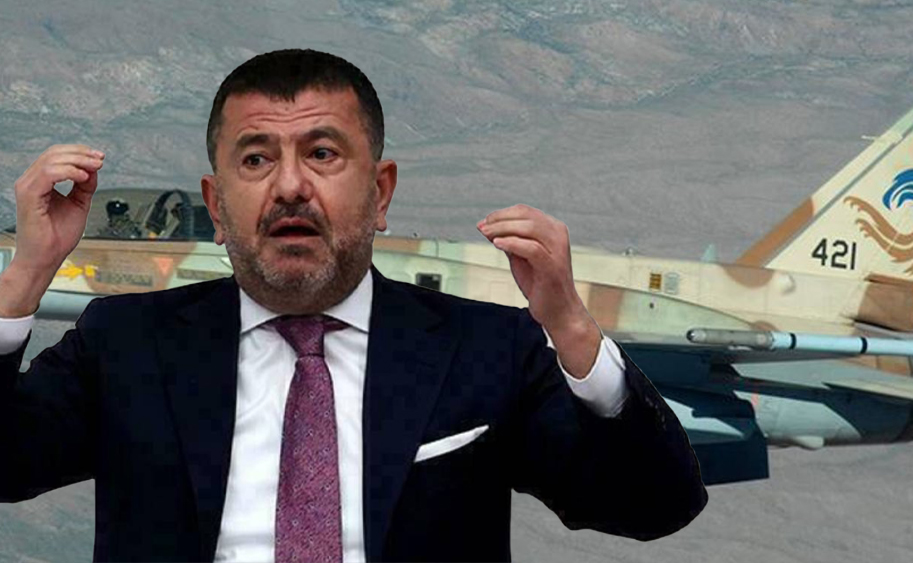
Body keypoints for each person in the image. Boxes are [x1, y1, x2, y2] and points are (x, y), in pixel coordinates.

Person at [0, 49, 706, 562]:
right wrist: (26, 273)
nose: (289, 187)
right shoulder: (126, 343)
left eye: (323, 154)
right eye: (255, 159)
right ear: (216, 205)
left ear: (381, 192)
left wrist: (572, 326)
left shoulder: (486, 348)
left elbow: (652, 506)